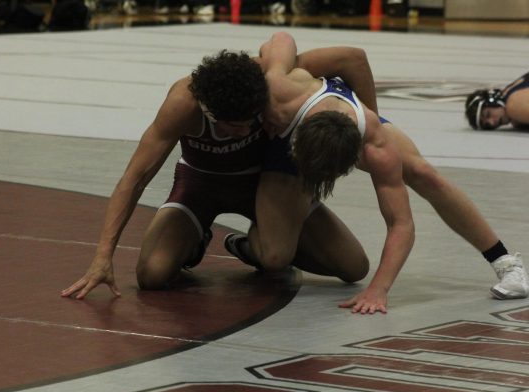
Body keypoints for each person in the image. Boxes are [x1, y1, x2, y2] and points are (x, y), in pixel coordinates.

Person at [224, 32, 529, 314]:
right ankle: (261, 229)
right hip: (288, 143)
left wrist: (378, 289)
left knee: (423, 173)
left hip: (355, 129)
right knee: (274, 257)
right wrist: (266, 69)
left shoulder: (375, 144)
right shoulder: (280, 90)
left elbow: (401, 224)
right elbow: (281, 38)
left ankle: (504, 260)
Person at [61, 45, 378, 299]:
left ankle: (251, 246)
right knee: (151, 275)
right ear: (208, 109)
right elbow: (134, 179)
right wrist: (104, 256)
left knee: (353, 267)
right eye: (232, 125)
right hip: (200, 184)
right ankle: (196, 240)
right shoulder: (183, 104)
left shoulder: (266, 76)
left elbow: (353, 59)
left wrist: (373, 129)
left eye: (249, 122)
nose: (242, 132)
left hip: (262, 183)